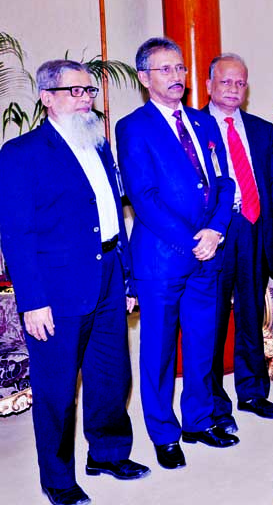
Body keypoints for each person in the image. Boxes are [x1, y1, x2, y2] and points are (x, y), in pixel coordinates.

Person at [0, 60, 149, 505]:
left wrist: (127, 278)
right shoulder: (21, 153)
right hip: (55, 288)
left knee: (111, 373)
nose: (87, 100)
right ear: (47, 98)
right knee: (57, 388)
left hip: (106, 275)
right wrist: (32, 301)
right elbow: (16, 234)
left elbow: (114, 217)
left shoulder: (98, 145)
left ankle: (107, 452)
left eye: (89, 92)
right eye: (76, 91)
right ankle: (58, 479)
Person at [117, 37, 238, 470]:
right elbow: (144, 198)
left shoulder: (205, 124)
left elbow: (226, 184)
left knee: (204, 343)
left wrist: (216, 230)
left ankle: (199, 419)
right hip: (163, 259)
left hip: (208, 254)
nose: (177, 77)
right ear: (144, 78)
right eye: (165, 70)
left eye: (181, 68)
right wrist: (195, 239)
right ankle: (164, 433)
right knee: (159, 350)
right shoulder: (133, 127)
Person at [202, 53, 273, 428]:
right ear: (209, 86)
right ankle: (213, 400)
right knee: (214, 318)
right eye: (226, 82)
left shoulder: (260, 129)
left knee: (253, 313)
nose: (233, 89)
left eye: (240, 83)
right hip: (216, 233)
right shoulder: (195, 126)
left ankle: (253, 392)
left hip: (255, 228)